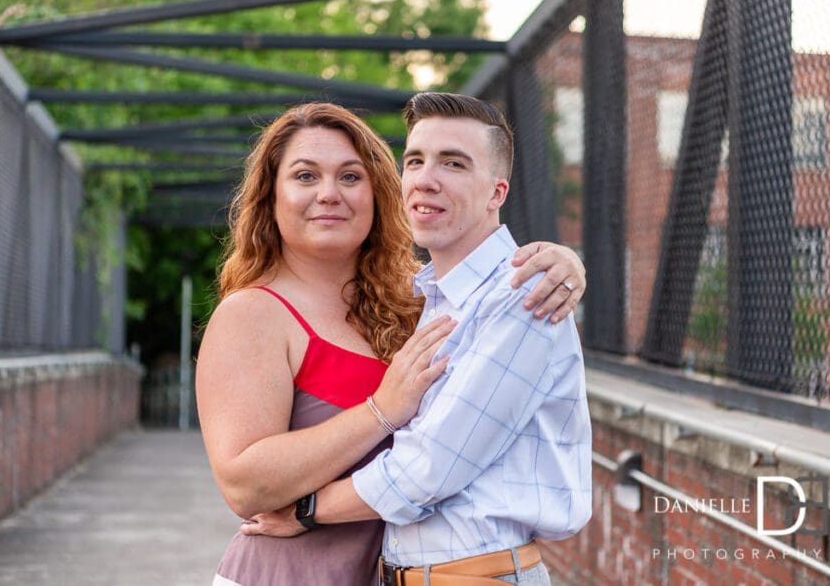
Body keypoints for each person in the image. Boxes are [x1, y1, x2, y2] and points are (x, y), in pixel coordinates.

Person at [197, 102, 586, 586]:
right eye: (304, 176)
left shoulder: (418, 301)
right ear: (270, 197)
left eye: (350, 177)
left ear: (379, 193)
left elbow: (490, 287)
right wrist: (381, 409)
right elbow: (243, 484)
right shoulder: (251, 313)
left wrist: (561, 262)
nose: (328, 194)